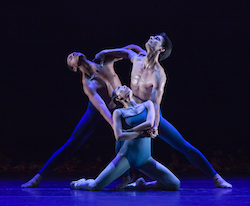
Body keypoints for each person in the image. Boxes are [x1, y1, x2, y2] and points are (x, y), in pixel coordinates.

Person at [93, 32, 232, 188]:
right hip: (131, 113)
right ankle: (127, 179)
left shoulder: (158, 75)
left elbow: (155, 104)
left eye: (156, 39)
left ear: (162, 49)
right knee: (120, 142)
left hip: (148, 113)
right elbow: (125, 52)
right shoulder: (137, 58)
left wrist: (153, 125)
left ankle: (216, 177)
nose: (151, 39)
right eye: (151, 37)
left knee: (182, 145)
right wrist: (105, 52)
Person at [21, 52, 123, 188]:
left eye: (73, 54)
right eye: (70, 58)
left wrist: (140, 54)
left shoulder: (103, 59)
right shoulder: (88, 84)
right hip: (96, 111)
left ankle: (131, 177)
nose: (73, 54)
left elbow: (127, 51)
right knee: (72, 143)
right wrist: (113, 123)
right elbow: (102, 107)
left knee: (131, 139)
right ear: (75, 68)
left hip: (118, 105)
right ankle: (38, 177)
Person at [70, 85, 180, 191]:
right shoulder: (119, 112)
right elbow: (119, 136)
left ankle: (144, 185)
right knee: (95, 186)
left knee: (174, 184)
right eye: (120, 88)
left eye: (123, 86)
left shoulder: (147, 104)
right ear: (118, 98)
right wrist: (140, 133)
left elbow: (150, 123)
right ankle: (82, 182)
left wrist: (131, 131)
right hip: (126, 157)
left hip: (145, 158)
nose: (124, 86)